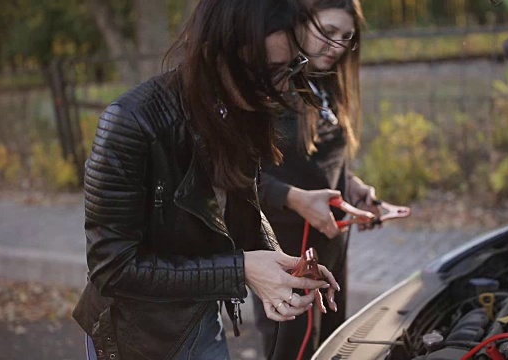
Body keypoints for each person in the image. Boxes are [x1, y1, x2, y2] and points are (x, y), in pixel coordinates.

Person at [71, 1, 340, 359]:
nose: (277, 86)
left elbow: (239, 205)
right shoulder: (129, 123)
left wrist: (279, 265)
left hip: (201, 316)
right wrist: (241, 268)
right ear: (215, 54)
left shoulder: (243, 107)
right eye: (264, 71)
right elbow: (112, 269)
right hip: (137, 339)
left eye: (287, 67)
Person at [254, 0, 378, 358]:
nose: (336, 45)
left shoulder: (327, 83)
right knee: (293, 347)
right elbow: (234, 178)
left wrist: (351, 184)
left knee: (334, 343)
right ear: (300, 24)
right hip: (284, 246)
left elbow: (316, 160)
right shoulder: (270, 85)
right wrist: (293, 197)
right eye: (327, 32)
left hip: (332, 240)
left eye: (346, 37)